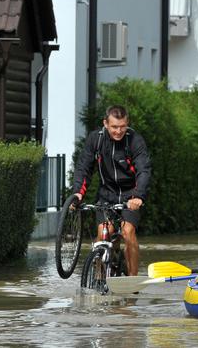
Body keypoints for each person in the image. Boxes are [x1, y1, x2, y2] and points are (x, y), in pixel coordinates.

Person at [72, 105, 151, 276]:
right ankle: (100, 278)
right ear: (105, 124)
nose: (118, 131)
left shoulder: (134, 140)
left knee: (128, 231)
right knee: (103, 233)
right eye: (114, 127)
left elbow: (143, 171)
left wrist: (138, 196)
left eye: (122, 126)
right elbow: (83, 168)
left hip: (130, 195)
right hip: (106, 194)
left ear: (127, 123)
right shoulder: (96, 139)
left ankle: (132, 281)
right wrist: (78, 193)